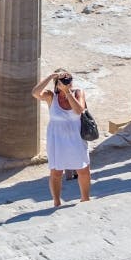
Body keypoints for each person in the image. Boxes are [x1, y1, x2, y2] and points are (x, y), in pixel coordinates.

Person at [35, 69, 92, 207]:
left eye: (69, 80)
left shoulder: (78, 93)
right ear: (57, 83)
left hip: (76, 137)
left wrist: (67, 92)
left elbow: (79, 110)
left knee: (83, 169)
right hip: (57, 139)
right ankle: (56, 202)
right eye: (64, 81)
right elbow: (35, 93)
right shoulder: (50, 96)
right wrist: (50, 76)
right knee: (56, 172)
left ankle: (85, 199)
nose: (68, 83)